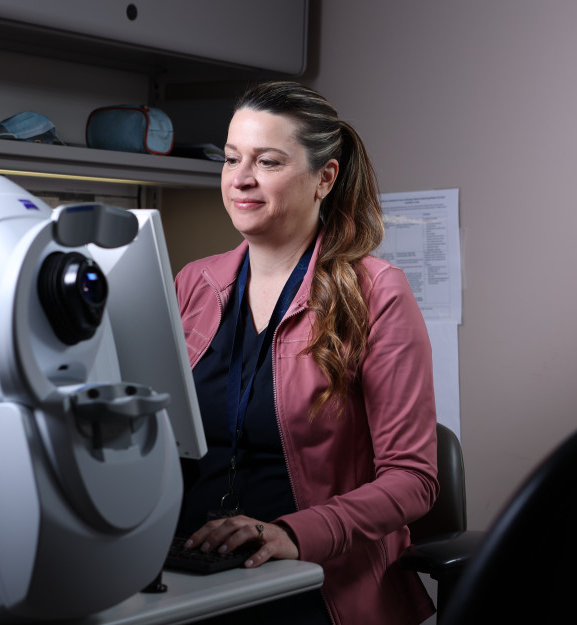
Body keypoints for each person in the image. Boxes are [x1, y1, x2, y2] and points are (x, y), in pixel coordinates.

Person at [173, 81, 439, 625]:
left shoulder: (376, 292)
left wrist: (292, 534)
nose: (240, 178)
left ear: (326, 178)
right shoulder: (192, 284)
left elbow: (414, 478)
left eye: (267, 161)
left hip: (313, 579)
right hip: (187, 568)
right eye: (230, 159)